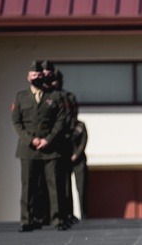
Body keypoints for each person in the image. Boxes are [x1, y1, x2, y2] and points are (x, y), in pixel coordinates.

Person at [11, 61, 72, 231]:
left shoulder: (54, 97)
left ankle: (57, 219)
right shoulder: (20, 97)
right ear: (28, 77)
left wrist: (48, 139)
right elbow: (16, 122)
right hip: (28, 148)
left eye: (39, 75)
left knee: (54, 185)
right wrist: (31, 140)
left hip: (50, 148)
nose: (36, 78)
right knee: (28, 186)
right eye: (33, 75)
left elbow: (60, 120)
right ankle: (27, 220)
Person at [43, 62, 80, 225]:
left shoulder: (67, 97)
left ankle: (65, 213)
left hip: (63, 141)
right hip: (47, 142)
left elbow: (71, 118)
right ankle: (47, 214)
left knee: (64, 181)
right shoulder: (44, 96)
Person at [71, 119, 89, 219]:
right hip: (65, 159)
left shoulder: (80, 125)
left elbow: (83, 140)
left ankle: (84, 213)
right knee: (65, 189)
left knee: (81, 188)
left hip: (79, 160)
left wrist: (76, 155)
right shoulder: (63, 124)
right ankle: (68, 213)